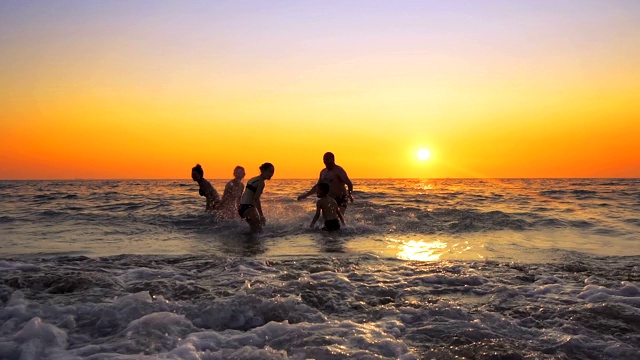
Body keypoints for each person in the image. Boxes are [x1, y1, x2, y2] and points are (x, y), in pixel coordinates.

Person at [238, 162, 275, 233]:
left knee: (253, 231)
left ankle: (244, 243)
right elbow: (256, 199)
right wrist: (261, 215)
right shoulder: (261, 183)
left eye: (273, 172)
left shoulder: (253, 179)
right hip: (248, 208)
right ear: (263, 170)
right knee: (258, 231)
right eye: (270, 172)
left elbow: (246, 195)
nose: (271, 174)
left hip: (242, 208)